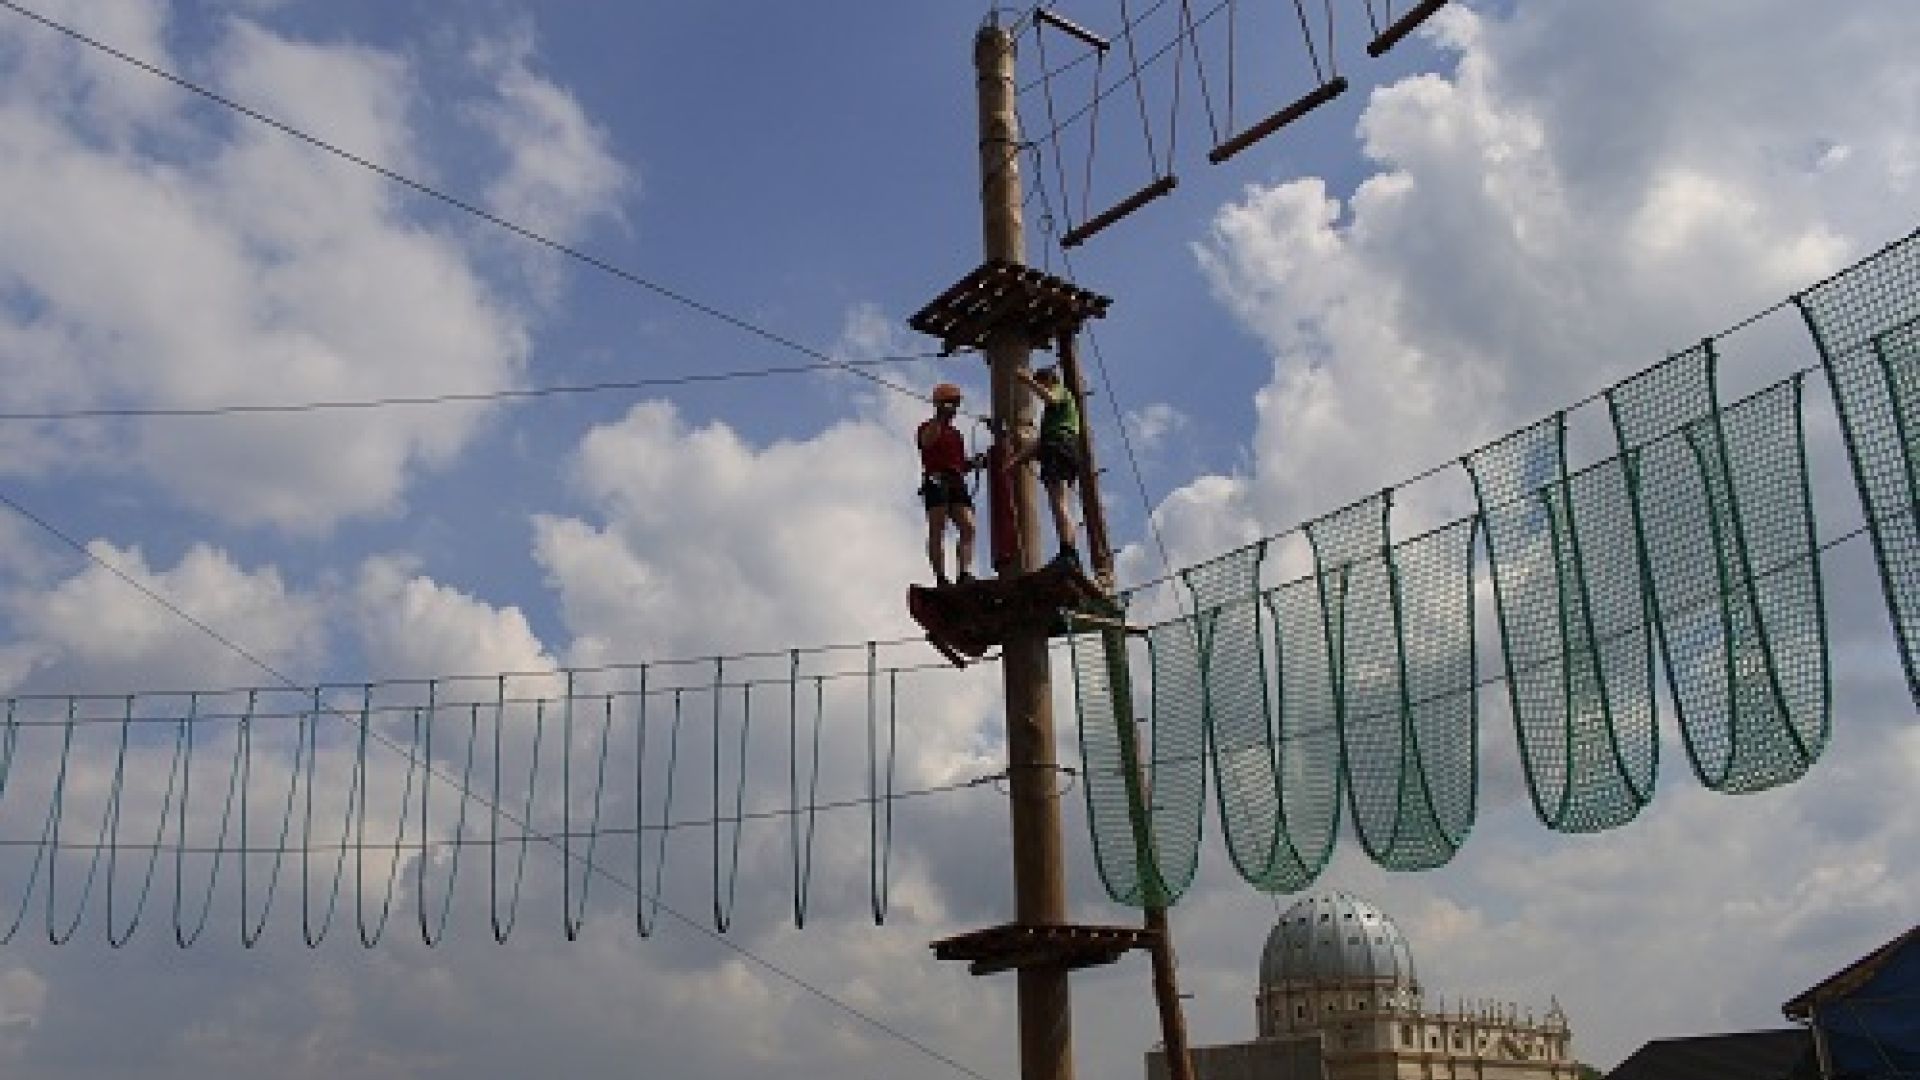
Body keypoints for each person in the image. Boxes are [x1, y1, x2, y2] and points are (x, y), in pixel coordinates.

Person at [1005, 365, 1082, 571]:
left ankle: (1068, 552)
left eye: (1041, 384)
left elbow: (1051, 398)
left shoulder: (1060, 392)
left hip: (1058, 448)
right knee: (1061, 502)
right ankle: (1070, 551)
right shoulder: (1054, 416)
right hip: (1062, 447)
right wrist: (1016, 459)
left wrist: (1028, 381)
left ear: (1048, 381)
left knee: (1058, 503)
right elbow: (1039, 441)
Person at [917, 382, 984, 586]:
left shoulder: (956, 434)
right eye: (952, 403)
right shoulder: (927, 427)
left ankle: (964, 573)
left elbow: (960, 464)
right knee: (937, 527)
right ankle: (940, 577)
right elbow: (927, 442)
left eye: (956, 404)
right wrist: (939, 417)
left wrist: (975, 463)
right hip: (936, 479)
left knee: (968, 526)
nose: (955, 408)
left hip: (955, 480)